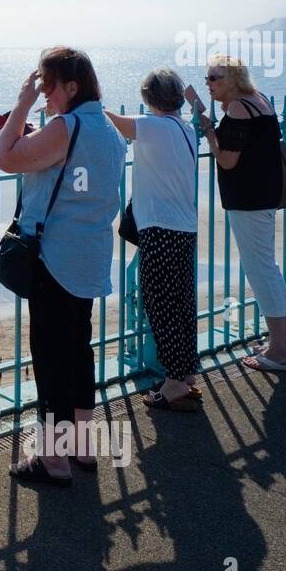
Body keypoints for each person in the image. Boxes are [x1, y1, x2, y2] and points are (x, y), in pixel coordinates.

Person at [0, 47, 126, 485]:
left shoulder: (66, 126)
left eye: (48, 86)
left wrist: (20, 105)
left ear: (71, 87)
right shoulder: (107, 129)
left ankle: (52, 460)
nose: (45, 94)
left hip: (54, 258)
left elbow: (6, 158)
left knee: (50, 358)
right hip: (90, 255)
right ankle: (83, 449)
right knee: (77, 351)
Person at [193, 54, 286, 371]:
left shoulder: (240, 107)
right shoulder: (258, 100)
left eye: (216, 78)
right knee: (267, 265)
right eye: (207, 78)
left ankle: (280, 351)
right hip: (263, 193)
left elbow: (227, 160)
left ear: (235, 79)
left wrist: (209, 129)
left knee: (259, 269)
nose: (209, 83)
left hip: (248, 197)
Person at [106, 69, 202, 411]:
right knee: (181, 304)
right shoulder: (186, 130)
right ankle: (186, 374)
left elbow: (114, 122)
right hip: (185, 227)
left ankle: (175, 382)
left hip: (159, 228)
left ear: (149, 98)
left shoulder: (152, 126)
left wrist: (86, 105)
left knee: (160, 305)